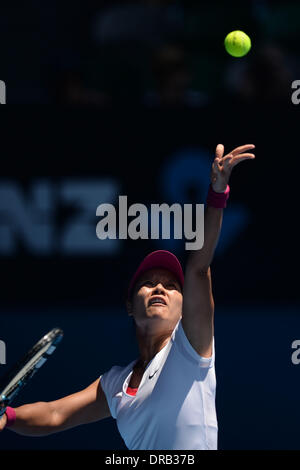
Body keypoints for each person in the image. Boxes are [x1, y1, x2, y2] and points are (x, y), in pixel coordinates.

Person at [0, 144, 255, 449]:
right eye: (148, 284)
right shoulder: (115, 383)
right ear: (130, 306)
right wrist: (9, 416)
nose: (160, 288)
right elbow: (55, 414)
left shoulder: (191, 348)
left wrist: (217, 194)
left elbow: (199, 267)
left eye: (171, 286)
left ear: (185, 306)